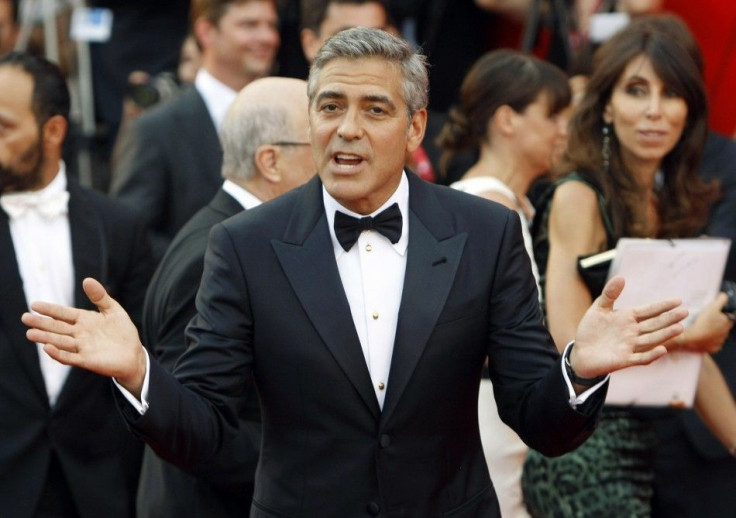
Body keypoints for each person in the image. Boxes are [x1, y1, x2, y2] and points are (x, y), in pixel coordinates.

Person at [23, 28, 689, 517]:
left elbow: (537, 420)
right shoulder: (245, 245)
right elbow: (206, 430)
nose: (347, 129)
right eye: (331, 107)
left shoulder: (482, 235)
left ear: (415, 126)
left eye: (374, 110)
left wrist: (580, 370)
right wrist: (140, 374)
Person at [521, 17, 736, 517]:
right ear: (607, 104)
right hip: (581, 453)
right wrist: (686, 335)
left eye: (672, 94)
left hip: (640, 448)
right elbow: (572, 341)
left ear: (691, 110)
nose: (655, 112)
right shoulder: (579, 194)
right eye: (637, 90)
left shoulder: (659, 201)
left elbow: (694, 362)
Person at [136, 76, 314, 518]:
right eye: (322, 144)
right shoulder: (212, 257)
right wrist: (321, 456)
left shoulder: (228, 235)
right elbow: (194, 426)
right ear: (271, 161)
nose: (341, 158)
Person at [0, 52, 152, 518]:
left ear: (53, 132)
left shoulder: (119, 226)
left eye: (4, 127)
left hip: (100, 490)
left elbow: (147, 356)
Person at [437, 48, 571, 518]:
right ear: (506, 120)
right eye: (554, 115)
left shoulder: (479, 201)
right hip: (491, 421)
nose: (564, 131)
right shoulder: (495, 211)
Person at [110, 0, 280, 262]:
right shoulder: (156, 128)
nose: (268, 37)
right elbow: (130, 234)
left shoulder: (290, 116)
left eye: (271, 25)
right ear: (206, 32)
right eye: (249, 25)